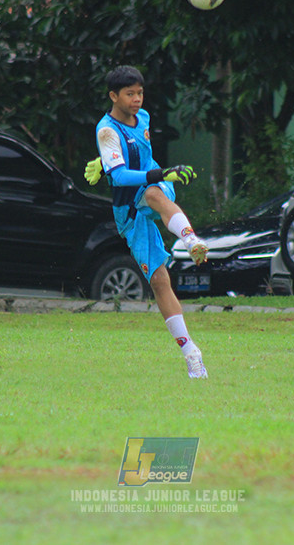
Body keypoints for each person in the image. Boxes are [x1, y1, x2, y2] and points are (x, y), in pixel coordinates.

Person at [87, 65, 210, 378]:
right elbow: (120, 177)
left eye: (140, 93)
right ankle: (191, 352)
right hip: (127, 207)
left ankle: (190, 239)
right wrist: (109, 161)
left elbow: (141, 161)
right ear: (114, 96)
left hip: (153, 185)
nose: (137, 99)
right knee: (158, 281)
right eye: (130, 94)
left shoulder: (143, 118)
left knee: (156, 195)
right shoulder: (106, 130)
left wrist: (156, 175)